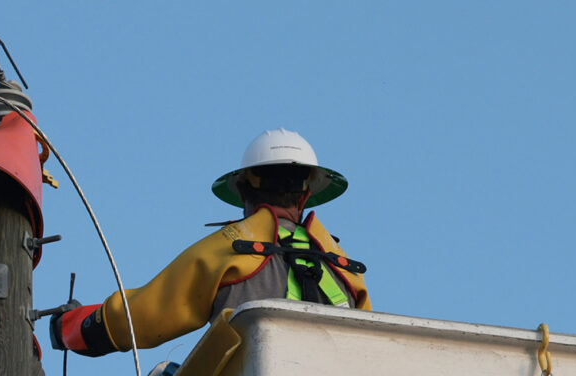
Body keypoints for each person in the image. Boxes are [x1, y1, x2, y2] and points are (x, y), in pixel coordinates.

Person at [51, 129, 368, 357]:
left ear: (243, 192)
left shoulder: (227, 250)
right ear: (305, 196)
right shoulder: (346, 269)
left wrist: (77, 326)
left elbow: (143, 316)